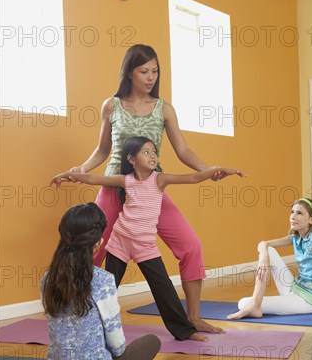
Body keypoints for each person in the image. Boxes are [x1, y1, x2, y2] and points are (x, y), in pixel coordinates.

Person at [69, 44, 246, 334]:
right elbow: (102, 150)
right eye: (144, 71)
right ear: (129, 71)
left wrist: (208, 171)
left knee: (191, 247)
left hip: (150, 191)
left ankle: (192, 317)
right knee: (91, 251)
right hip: (115, 188)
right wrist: (83, 169)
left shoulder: (164, 109)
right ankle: (77, 316)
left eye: (155, 71)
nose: (150, 77)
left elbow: (183, 149)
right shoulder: (111, 106)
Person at [51, 136, 243, 341]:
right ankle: (87, 324)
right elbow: (94, 179)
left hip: (144, 246)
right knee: (106, 288)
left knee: (164, 289)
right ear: (131, 159)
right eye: (146, 152)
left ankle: (184, 330)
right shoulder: (125, 181)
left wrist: (220, 170)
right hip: (120, 241)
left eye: (154, 151)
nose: (152, 156)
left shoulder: (159, 179)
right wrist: (67, 175)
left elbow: (192, 178)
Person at [41, 202, 169, 360]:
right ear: (98, 243)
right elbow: (116, 344)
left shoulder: (47, 278)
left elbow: (55, 330)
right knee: (152, 341)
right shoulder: (103, 281)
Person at [227, 198, 312, 320]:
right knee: (267, 250)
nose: (293, 217)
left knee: (243, 303)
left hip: (307, 301)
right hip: (293, 288)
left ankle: (255, 306)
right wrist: (263, 257)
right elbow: (263, 243)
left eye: (300, 213)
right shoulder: (296, 237)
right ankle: (256, 305)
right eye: (292, 212)